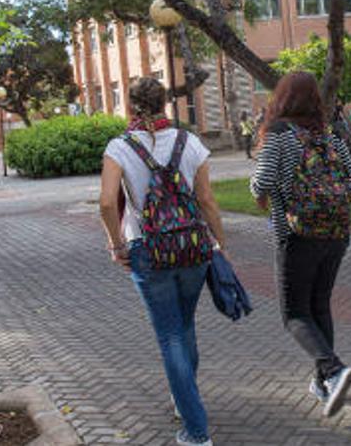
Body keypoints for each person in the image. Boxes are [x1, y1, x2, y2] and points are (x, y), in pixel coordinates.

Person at [250, 72, 351, 418]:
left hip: (297, 235)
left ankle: (333, 371)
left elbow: (261, 185)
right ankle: (323, 382)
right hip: (337, 233)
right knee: (319, 306)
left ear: (282, 99)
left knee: (294, 314)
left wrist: (256, 181)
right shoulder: (330, 136)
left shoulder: (278, 135)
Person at [99, 77, 225, 446]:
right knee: (184, 327)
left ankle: (196, 432)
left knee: (170, 335)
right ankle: (183, 400)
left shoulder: (119, 147)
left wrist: (116, 245)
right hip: (193, 246)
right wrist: (221, 243)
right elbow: (207, 200)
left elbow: (107, 203)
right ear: (167, 104)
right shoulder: (191, 143)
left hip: (147, 249)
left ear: (131, 107)